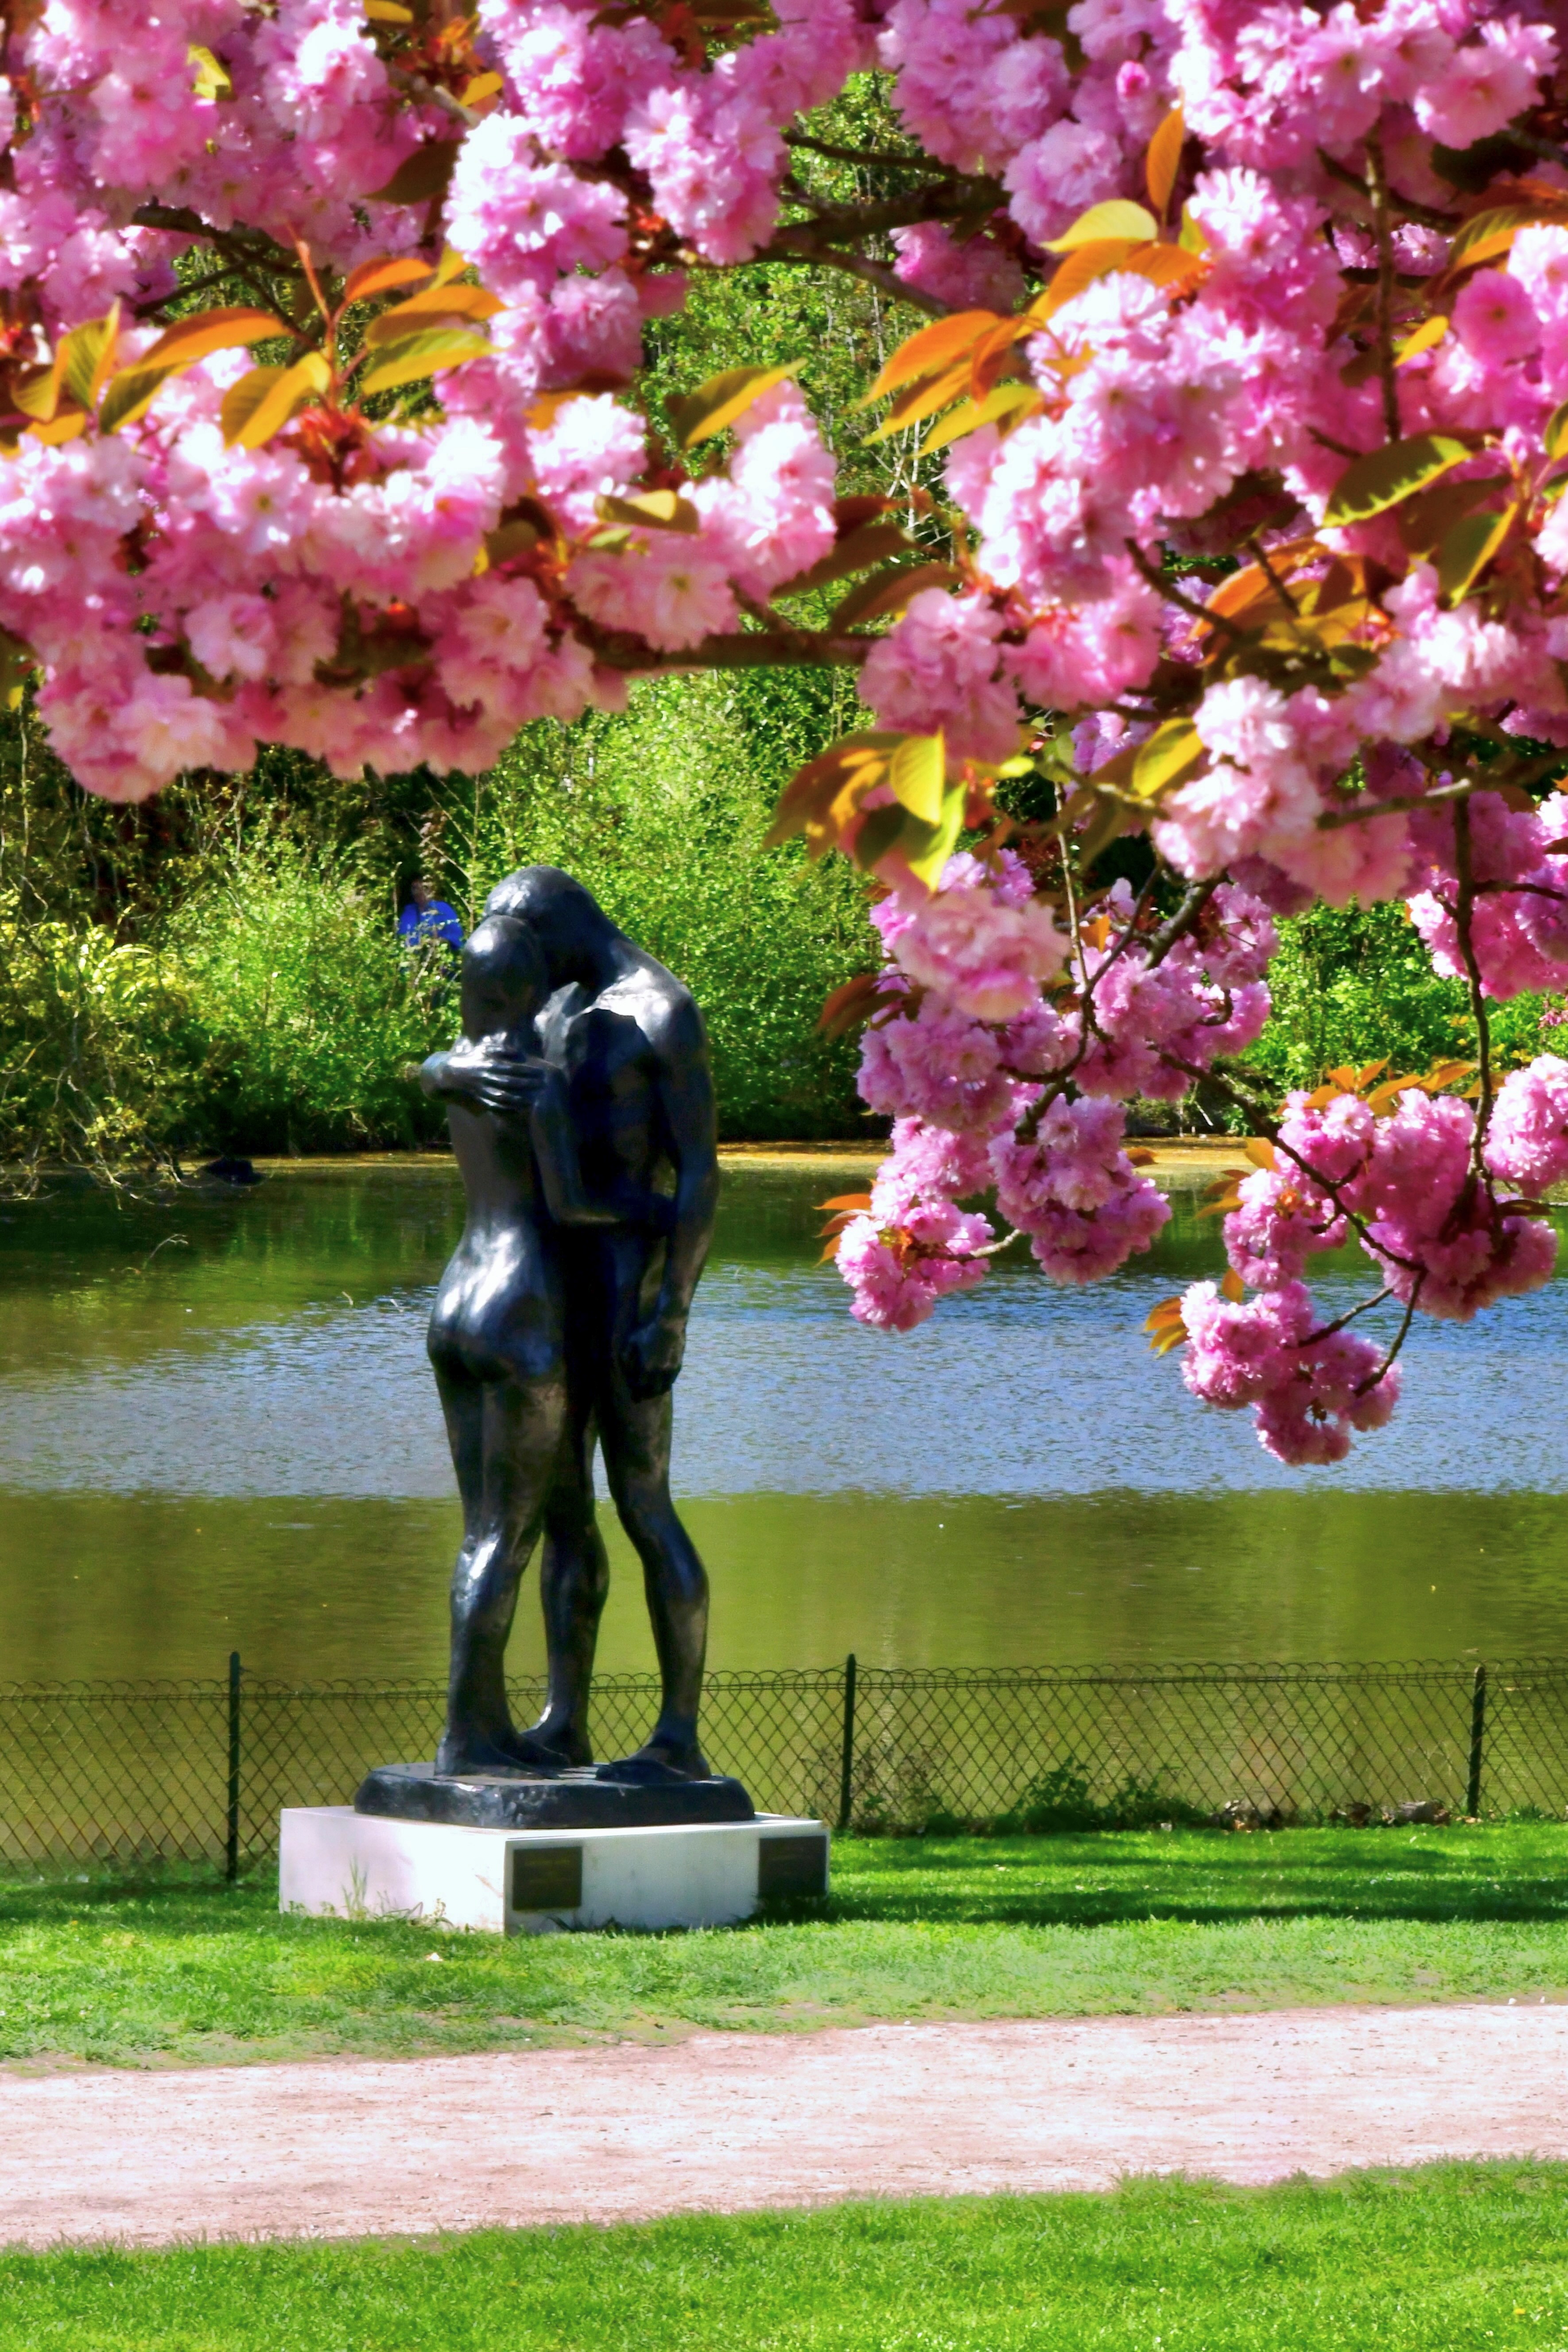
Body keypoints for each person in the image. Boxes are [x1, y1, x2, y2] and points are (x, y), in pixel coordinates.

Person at [433, 866, 721, 1785]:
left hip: (631, 1299)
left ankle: (678, 1738)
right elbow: (476, 1061)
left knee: (643, 1506)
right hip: (550, 1305)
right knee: (561, 1521)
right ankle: (563, 1724)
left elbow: (702, 1174)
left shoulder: (661, 1012)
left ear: (552, 932)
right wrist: (439, 1068)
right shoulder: (553, 1005)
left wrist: (673, 1312)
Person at [398, 874, 465, 955]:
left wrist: (435, 942)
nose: (417, 892)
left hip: (438, 958)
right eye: (414, 888)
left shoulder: (442, 908)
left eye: (423, 888)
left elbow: (458, 938)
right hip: (411, 960)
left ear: (431, 890)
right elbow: (400, 940)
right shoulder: (408, 913)